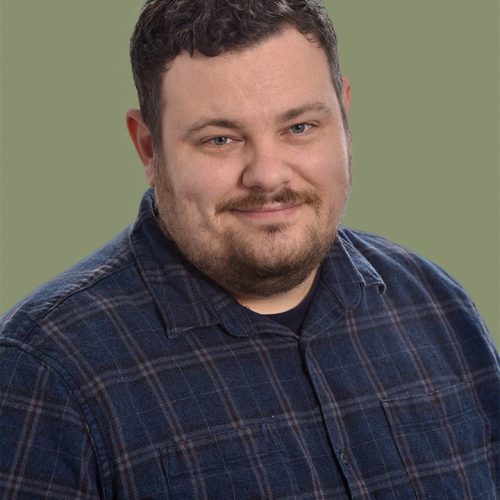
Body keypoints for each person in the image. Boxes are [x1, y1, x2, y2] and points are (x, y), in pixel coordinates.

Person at [0, 0, 498, 498]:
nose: (268, 175)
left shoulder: (438, 306)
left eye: (299, 128)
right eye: (220, 139)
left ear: (344, 117)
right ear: (149, 149)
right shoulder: (45, 369)